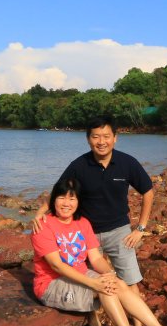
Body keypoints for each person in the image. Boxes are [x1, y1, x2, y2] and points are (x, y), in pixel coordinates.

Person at [32, 176, 167, 326]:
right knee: (105, 289)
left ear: (79, 201)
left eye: (72, 198)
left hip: (80, 274)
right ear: (53, 200)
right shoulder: (43, 225)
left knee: (118, 283)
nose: (66, 203)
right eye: (61, 198)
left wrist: (109, 274)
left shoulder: (82, 223)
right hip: (51, 283)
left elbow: (96, 257)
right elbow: (56, 265)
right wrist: (94, 283)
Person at [33, 116, 154, 303]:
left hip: (119, 231)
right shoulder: (79, 166)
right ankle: (93, 320)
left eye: (106, 136)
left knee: (130, 282)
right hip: (86, 233)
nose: (101, 142)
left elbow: (148, 191)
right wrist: (40, 213)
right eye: (96, 137)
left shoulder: (127, 163)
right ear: (88, 139)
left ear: (115, 138)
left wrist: (140, 228)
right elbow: (60, 192)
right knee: (89, 281)